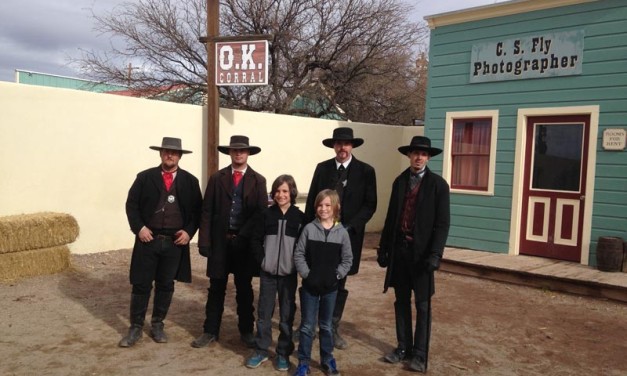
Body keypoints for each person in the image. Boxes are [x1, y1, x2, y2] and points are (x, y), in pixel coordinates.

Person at [120, 137, 202, 347]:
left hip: (174, 243)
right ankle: (135, 327)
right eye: (166, 151)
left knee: (166, 285)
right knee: (141, 285)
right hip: (148, 240)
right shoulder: (145, 177)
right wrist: (139, 228)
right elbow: (132, 205)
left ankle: (157, 325)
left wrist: (189, 232)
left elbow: (197, 212)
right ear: (160, 154)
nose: (169, 155)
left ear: (180, 156)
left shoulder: (190, 181)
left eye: (174, 153)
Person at [377, 136, 450, 373]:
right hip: (400, 251)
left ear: (428, 158)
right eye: (415, 153)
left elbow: (442, 224)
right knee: (401, 302)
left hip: (422, 256)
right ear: (409, 155)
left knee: (423, 305)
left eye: (423, 154)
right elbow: (391, 217)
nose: (418, 157)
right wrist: (384, 248)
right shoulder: (399, 182)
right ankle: (403, 347)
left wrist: (436, 254)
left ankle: (420, 354)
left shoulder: (438, 185)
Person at [303, 127, 377, 349]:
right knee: (313, 278)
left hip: (347, 236)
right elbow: (311, 204)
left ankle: (331, 327)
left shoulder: (366, 171)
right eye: (338, 143)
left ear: (352, 146)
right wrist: (308, 230)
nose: (342, 147)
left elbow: (370, 205)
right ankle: (308, 326)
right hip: (319, 237)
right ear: (333, 146)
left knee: (339, 280)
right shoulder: (322, 168)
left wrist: (349, 227)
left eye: (346, 143)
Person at [192, 135, 268, 349]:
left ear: (248, 153)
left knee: (244, 289)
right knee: (216, 288)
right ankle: (210, 331)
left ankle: (246, 330)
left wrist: (248, 239)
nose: (238, 153)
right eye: (234, 150)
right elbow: (206, 211)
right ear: (230, 153)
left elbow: (261, 214)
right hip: (220, 243)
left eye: (242, 150)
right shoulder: (217, 178)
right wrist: (204, 241)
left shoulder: (258, 180)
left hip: (244, 245)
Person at [245, 175, 307, 371]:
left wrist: (296, 265)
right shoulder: (265, 215)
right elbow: (255, 240)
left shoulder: (300, 218)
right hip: (268, 273)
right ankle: (261, 350)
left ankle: (283, 353)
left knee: (287, 314)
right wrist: (263, 261)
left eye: (285, 191)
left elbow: (304, 246)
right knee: (264, 312)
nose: (281, 195)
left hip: (289, 274)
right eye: (278, 191)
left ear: (292, 193)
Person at [293, 189, 353, 376]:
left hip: (330, 289)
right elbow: (299, 254)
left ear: (336, 207)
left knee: (326, 326)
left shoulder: (342, 233)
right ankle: (303, 362)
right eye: (320, 205)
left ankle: (327, 359)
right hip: (310, 288)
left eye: (328, 205)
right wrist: (306, 274)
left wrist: (336, 275)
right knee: (307, 326)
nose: (323, 209)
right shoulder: (309, 229)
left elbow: (347, 259)